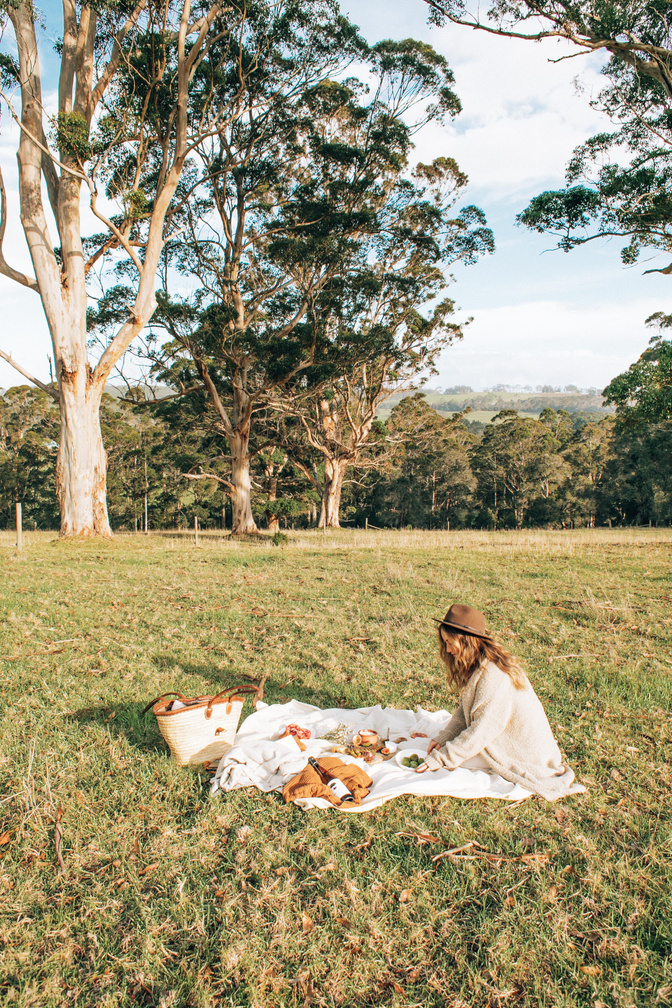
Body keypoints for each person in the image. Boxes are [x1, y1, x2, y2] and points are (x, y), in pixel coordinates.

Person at [415, 603, 586, 802]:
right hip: (498, 734)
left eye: (451, 642)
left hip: (524, 753)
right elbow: (465, 711)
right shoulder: (481, 664)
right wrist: (444, 738)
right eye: (445, 642)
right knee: (450, 751)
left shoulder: (493, 674)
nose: (447, 649)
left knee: (457, 763)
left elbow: (482, 730)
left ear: (467, 642)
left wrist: (443, 757)